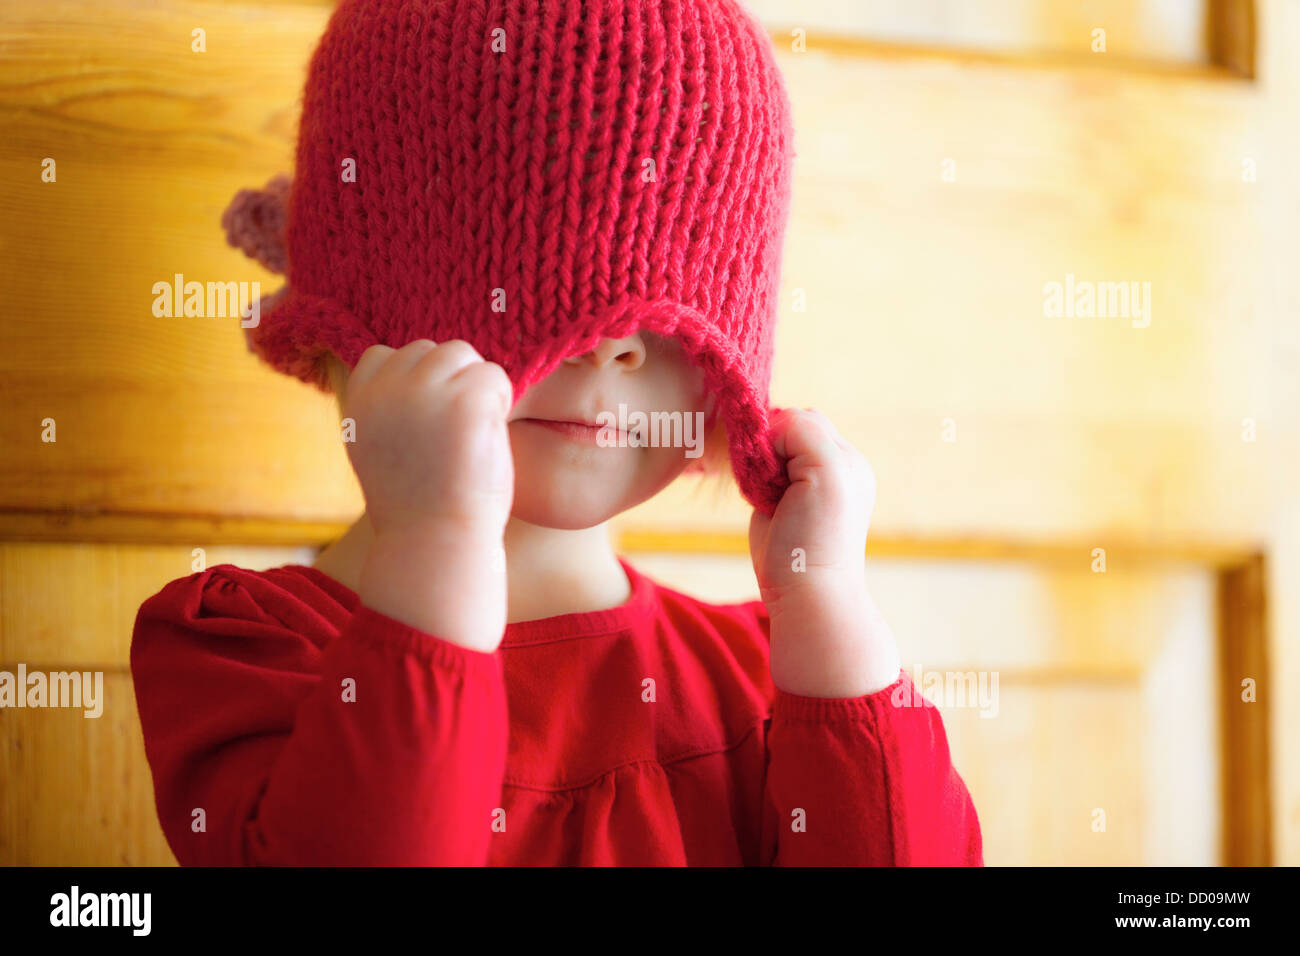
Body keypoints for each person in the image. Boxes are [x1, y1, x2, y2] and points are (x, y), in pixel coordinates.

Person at [132, 0, 982, 866]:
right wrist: (434, 545)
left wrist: (828, 608)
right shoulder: (246, 653)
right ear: (362, 317)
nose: (610, 347)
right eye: (541, 292)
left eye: (669, 318)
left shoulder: (771, 677)